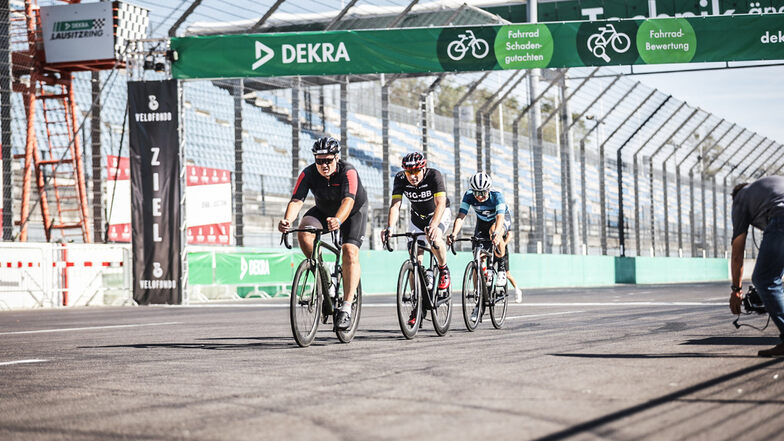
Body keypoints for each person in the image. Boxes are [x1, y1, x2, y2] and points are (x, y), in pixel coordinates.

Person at [278, 136, 367, 330]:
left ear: (336, 158)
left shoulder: (348, 172)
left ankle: (346, 307)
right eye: (319, 160)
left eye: (328, 160)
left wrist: (339, 220)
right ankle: (324, 274)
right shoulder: (308, 173)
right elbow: (296, 201)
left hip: (351, 212)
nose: (324, 165)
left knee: (350, 251)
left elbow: (348, 201)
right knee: (303, 231)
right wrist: (287, 220)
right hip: (324, 210)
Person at [382, 152, 451, 325]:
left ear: (423, 168)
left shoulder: (434, 175)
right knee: (414, 259)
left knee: (435, 239)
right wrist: (390, 227)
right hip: (417, 217)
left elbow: (440, 203)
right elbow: (395, 206)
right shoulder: (399, 178)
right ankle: (417, 303)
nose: (412, 176)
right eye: (409, 172)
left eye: (416, 172)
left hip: (438, 214)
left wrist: (434, 225)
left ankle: (443, 269)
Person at [729, 176, 784, 357]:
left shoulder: (740, 199)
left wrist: (736, 290)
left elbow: (737, 253)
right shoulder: (768, 186)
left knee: (764, 279)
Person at [447, 172, 523, 302]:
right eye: (476, 193)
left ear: (488, 189)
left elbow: (500, 217)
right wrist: (453, 233)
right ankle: (478, 295)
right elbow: (461, 217)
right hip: (482, 222)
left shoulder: (497, 196)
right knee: (477, 257)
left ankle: (502, 267)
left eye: (482, 193)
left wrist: (497, 233)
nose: (480, 197)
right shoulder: (469, 196)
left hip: (501, 220)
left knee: (493, 230)